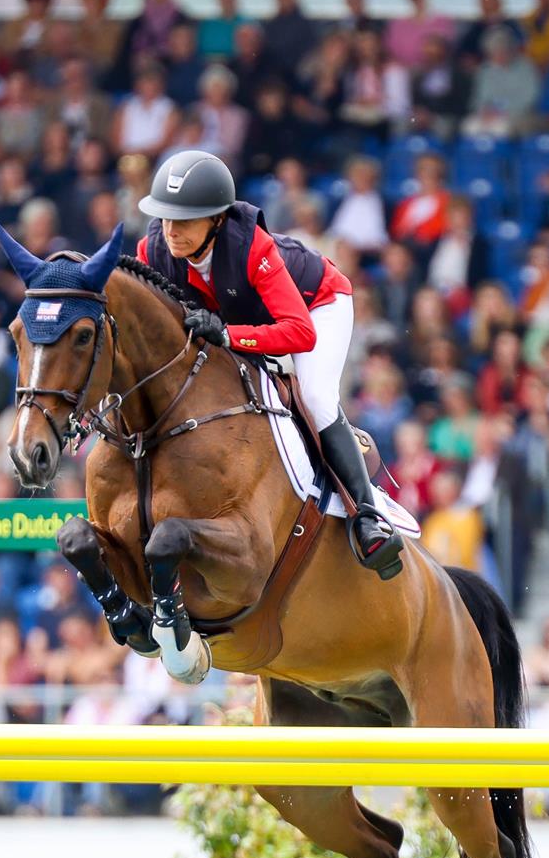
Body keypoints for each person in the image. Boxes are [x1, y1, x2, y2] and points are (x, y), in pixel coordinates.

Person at [135, 148, 401, 577]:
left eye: (184, 220)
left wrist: (227, 334)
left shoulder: (251, 248)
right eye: (165, 218)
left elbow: (299, 333)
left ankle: (368, 516)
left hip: (317, 306)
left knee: (315, 396)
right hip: (244, 321)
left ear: (218, 220)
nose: (171, 231)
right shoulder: (153, 251)